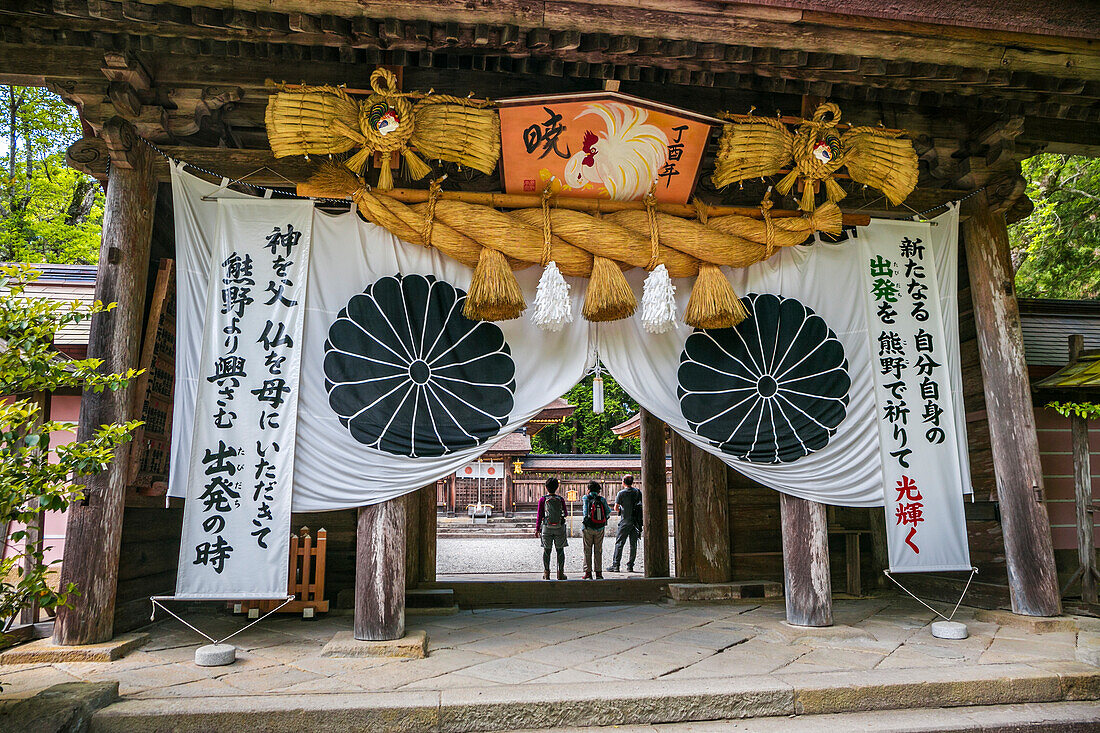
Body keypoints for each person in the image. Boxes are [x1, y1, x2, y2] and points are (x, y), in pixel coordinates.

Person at [608, 474, 643, 573]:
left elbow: (616, 507)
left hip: (625, 521)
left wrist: (621, 509)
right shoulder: (637, 492)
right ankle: (630, 566)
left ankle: (616, 565)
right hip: (636, 522)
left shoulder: (621, 493)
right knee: (633, 544)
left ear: (623, 482)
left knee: (619, 543)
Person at [535, 477, 568, 580]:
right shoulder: (560, 499)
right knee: (560, 551)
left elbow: (539, 515)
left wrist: (537, 529)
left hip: (546, 527)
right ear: (557, 487)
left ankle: (546, 573)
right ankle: (560, 573)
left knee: (547, 551)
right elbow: (565, 513)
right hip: (559, 528)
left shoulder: (543, 499)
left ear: (546, 488)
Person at [581, 480, 611, 580]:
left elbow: (585, 513)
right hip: (600, 528)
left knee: (587, 550)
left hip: (588, 528)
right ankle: (598, 573)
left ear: (588, 489)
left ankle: (588, 573)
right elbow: (608, 511)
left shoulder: (586, 498)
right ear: (599, 491)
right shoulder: (602, 499)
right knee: (598, 550)